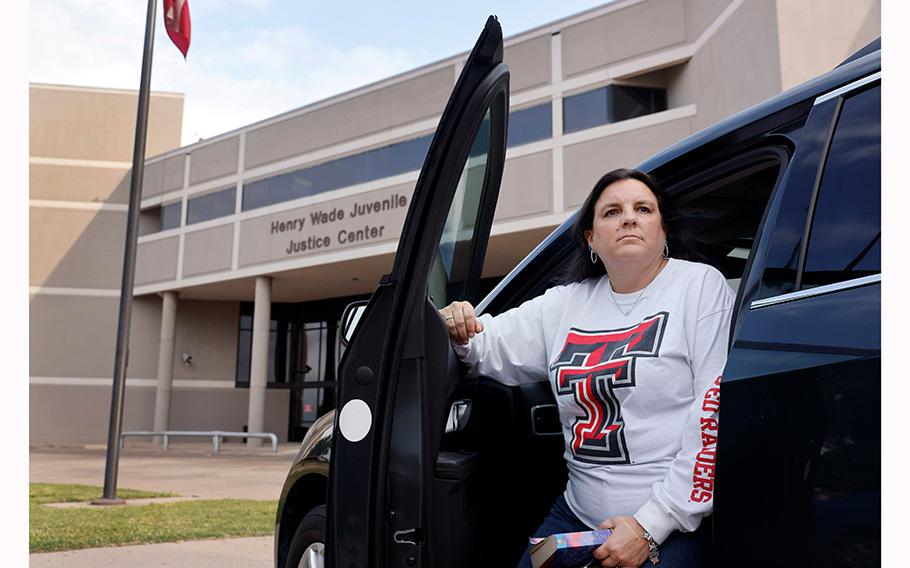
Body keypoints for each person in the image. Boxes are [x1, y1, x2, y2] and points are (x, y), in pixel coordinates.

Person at [440, 168, 735, 568]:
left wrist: (651, 525)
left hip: (669, 523)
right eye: (611, 212)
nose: (628, 218)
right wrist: (456, 323)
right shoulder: (565, 304)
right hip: (576, 516)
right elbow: (487, 345)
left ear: (663, 230)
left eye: (643, 209)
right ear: (591, 238)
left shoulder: (700, 287)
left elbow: (712, 414)